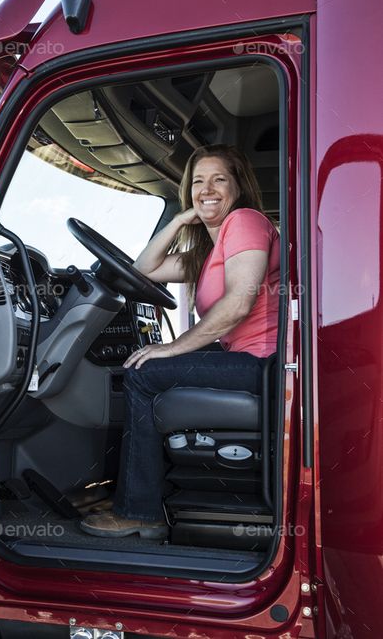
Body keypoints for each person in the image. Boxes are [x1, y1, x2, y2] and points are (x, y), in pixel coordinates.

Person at [81, 143, 280, 539]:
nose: (208, 189)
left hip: (267, 364)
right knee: (148, 367)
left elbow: (239, 303)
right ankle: (147, 494)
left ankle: (140, 510)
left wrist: (172, 347)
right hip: (252, 360)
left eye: (219, 179)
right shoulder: (210, 250)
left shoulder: (244, 220)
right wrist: (180, 220)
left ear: (238, 186)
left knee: (142, 374)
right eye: (198, 182)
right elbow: (143, 269)